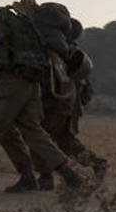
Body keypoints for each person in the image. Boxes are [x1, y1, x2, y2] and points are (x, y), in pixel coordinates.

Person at [0, 0, 85, 194]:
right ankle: (72, 177)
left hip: (10, 84)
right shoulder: (10, 17)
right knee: (34, 132)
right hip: (30, 83)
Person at [31, 17, 108, 189]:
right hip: (69, 104)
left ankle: (45, 177)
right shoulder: (71, 52)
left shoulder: (59, 52)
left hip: (58, 103)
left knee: (40, 139)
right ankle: (97, 163)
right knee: (65, 141)